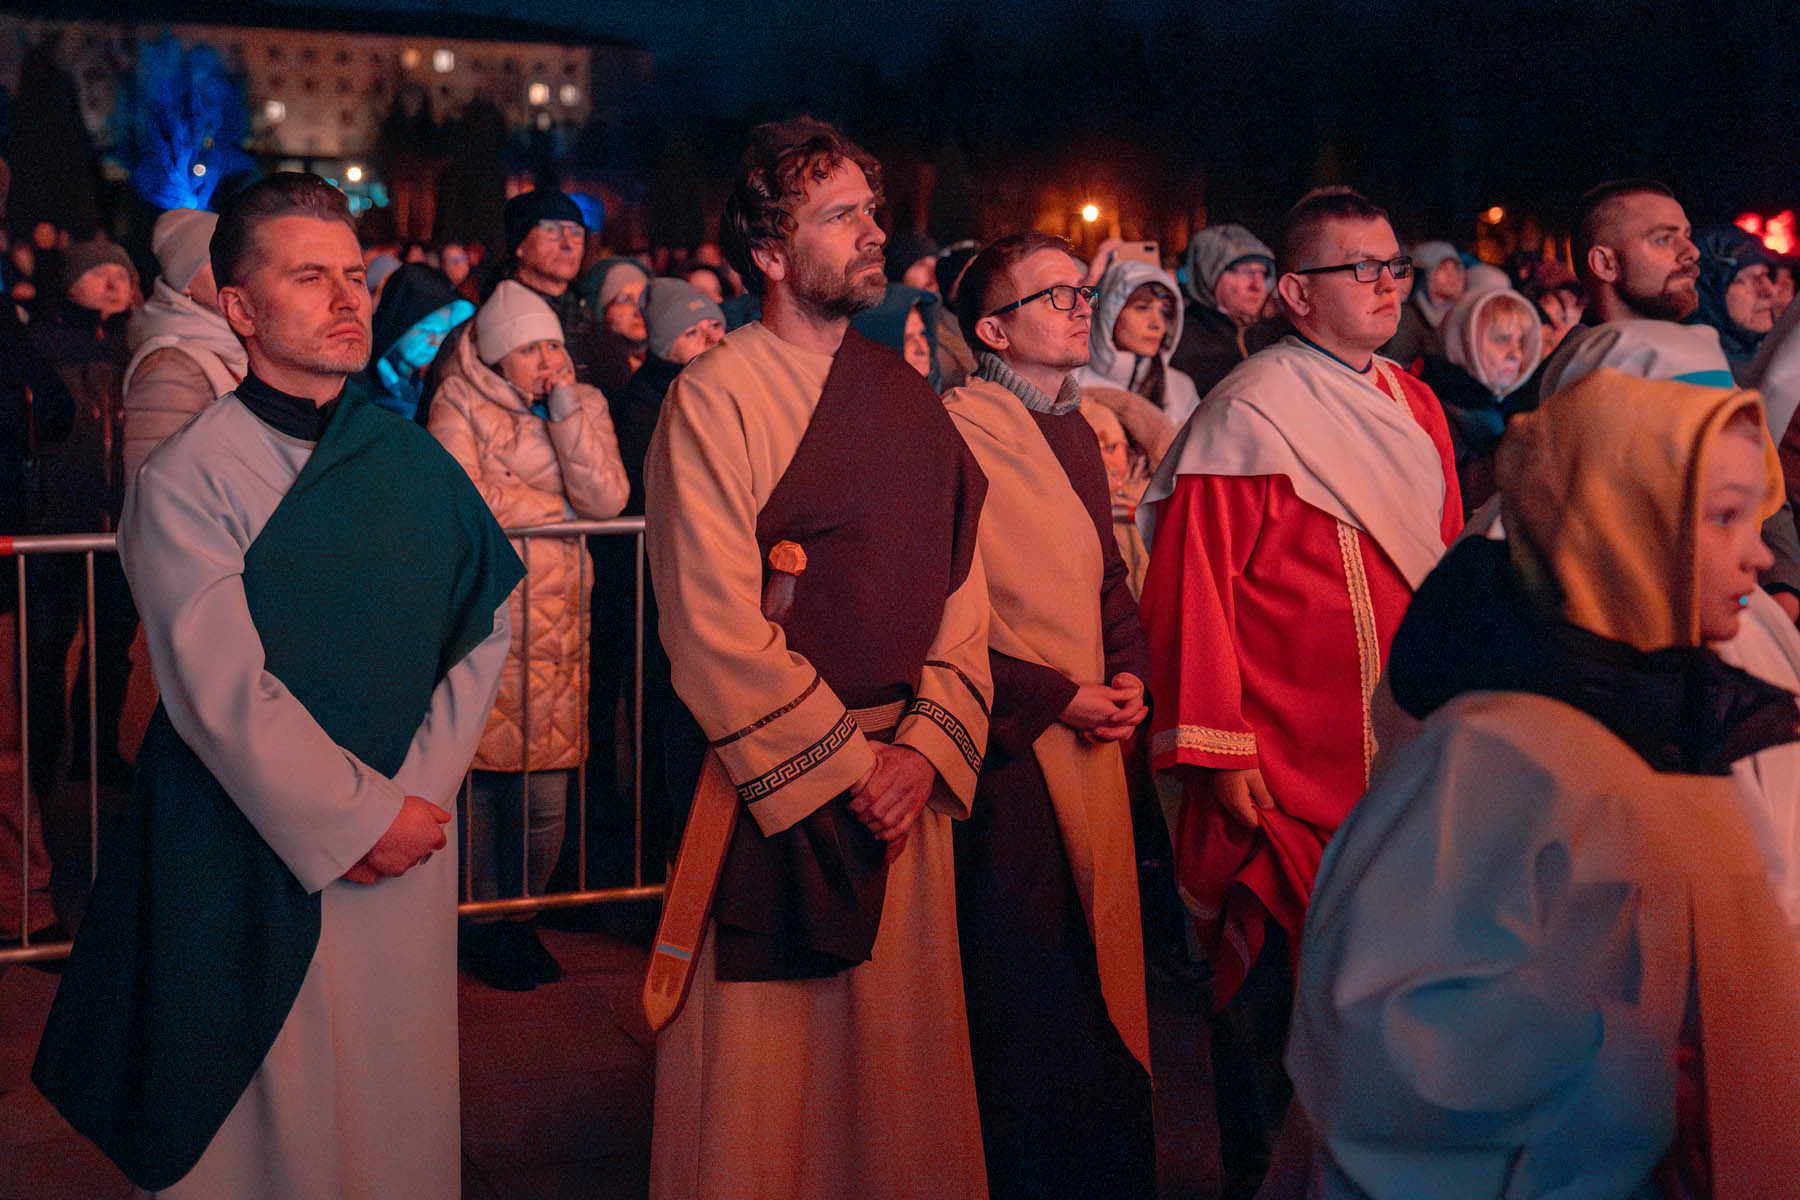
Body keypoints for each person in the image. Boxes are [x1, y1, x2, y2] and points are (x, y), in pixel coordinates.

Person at [31, 172, 521, 1198]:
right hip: (239, 852)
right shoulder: (188, 475)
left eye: (354, 275)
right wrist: (360, 818)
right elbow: (218, 689)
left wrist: (414, 800)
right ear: (240, 309)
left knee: (391, 1116)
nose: (348, 298)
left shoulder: (414, 460)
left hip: (405, 847)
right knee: (263, 1134)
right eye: (309, 277)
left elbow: (483, 620)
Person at [1289, 367, 1800, 1198]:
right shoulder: (1495, 757)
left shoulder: (1683, 725)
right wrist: (1643, 1076)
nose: (1761, 552)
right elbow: (1391, 1027)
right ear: (1623, 526)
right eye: (1722, 517)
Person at [643, 116, 991, 1200]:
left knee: (901, 1088)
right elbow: (709, 622)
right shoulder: (714, 396)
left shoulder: (909, 398)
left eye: (870, 213)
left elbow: (963, 592)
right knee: (767, 1095)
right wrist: (852, 767)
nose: (873, 232)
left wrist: (923, 750)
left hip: (905, 796)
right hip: (783, 795)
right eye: (840, 216)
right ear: (769, 251)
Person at [1136, 187, 1462, 1199]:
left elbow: (1445, 566)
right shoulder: (1250, 413)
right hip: (1282, 769)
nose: (1386, 285)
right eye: (1358, 268)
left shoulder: (1418, 405)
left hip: (1403, 757)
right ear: (1294, 293)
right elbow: (1193, 588)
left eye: (1393, 265)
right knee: (1275, 1011)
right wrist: (1219, 748)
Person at [944, 231, 1154, 1198]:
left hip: (1092, 732)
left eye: (1083, 290)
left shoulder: (1075, 427)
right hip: (1014, 754)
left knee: (1101, 967)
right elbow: (941, 610)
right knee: (1031, 986)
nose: (1082, 306)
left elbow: (1106, 572)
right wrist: (1055, 695)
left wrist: (1130, 670)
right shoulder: (954, 431)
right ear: (994, 330)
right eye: (1055, 294)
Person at [427, 279, 627, 990]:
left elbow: (607, 499)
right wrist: (557, 509)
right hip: (489, 615)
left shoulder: (585, 403)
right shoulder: (458, 401)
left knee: (546, 794)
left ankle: (523, 916)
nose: (549, 361)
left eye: (554, 346)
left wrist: (566, 411)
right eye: (531, 349)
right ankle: (482, 923)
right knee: (483, 783)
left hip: (560, 624)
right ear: (496, 356)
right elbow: (460, 497)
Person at [1548, 178, 1800, 620]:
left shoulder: (1700, 359)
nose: (1692, 252)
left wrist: (1782, 587)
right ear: (1605, 262)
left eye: (1686, 235)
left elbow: (1764, 488)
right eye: (1663, 239)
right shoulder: (1573, 384)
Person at [25, 238, 141, 799]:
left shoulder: (139, 348)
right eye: (98, 272)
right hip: (56, 522)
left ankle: (97, 752)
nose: (113, 282)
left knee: (113, 647)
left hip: (120, 524)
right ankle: (41, 757)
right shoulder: (39, 346)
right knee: (46, 648)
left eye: (121, 273)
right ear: (69, 284)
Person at [122, 209, 247, 483]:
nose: (235, 272)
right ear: (184, 282)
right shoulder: (169, 369)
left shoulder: (237, 346)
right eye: (216, 262)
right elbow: (155, 486)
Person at [1075, 258, 1203, 483]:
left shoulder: (1180, 387)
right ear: (1111, 311)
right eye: (1142, 307)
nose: (1156, 324)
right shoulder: (1072, 379)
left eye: (1165, 312)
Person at [1417, 286, 1543, 514]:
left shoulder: (1511, 411)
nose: (1516, 353)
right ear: (1462, 340)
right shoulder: (1433, 416)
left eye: (1521, 341)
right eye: (1501, 339)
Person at [1172, 223, 1276, 396]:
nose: (1257, 286)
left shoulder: (1273, 336)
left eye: (1263, 273)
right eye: (1245, 272)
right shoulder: (1181, 342)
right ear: (1207, 274)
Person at [1690, 223, 1777, 384]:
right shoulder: (1696, 372)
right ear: (1710, 295)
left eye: (1766, 275)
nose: (1769, 291)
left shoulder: (1771, 355)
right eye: (1742, 280)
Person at [1381, 239, 1464, 367]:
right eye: (1443, 269)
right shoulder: (1408, 319)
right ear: (1426, 274)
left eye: (1455, 268)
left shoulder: (1456, 318)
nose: (1452, 275)